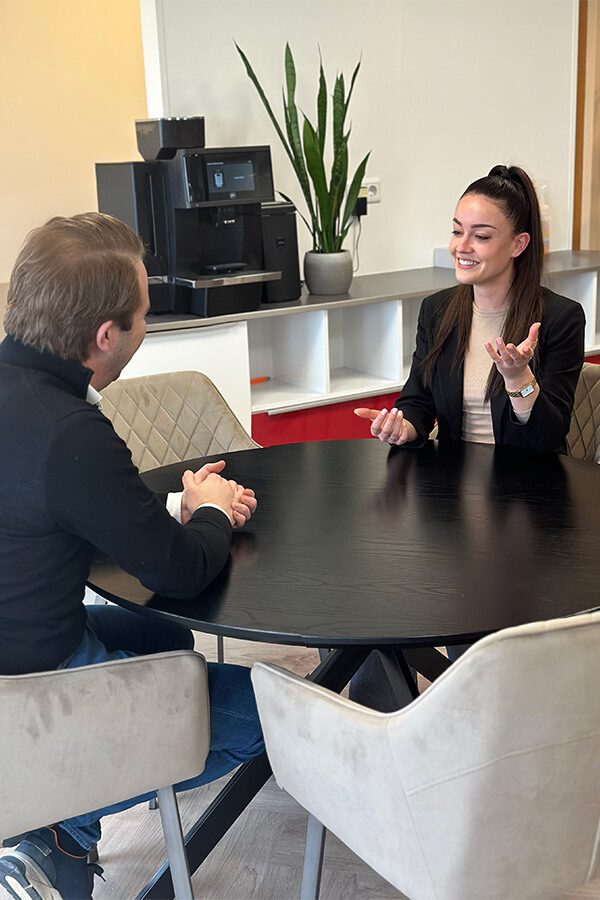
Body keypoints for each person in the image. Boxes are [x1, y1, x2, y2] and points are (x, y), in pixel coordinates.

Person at [0, 213, 264, 899]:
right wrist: (208, 508)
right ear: (105, 337)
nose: (148, 323)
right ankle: (56, 833)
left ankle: (52, 827)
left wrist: (179, 509)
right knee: (272, 717)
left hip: (18, 645)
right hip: (32, 689)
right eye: (146, 312)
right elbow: (177, 569)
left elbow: (43, 516)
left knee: (163, 635)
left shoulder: (23, 402)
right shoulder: (69, 432)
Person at [351, 164, 586, 709]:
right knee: (370, 594)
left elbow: (549, 436)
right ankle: (401, 726)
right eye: (457, 230)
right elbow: (419, 398)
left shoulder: (559, 319)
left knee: (478, 614)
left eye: (481, 236)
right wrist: (404, 424)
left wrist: (518, 379)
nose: (463, 246)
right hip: (452, 499)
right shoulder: (439, 310)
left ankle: (476, 712)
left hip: (528, 504)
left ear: (519, 244)